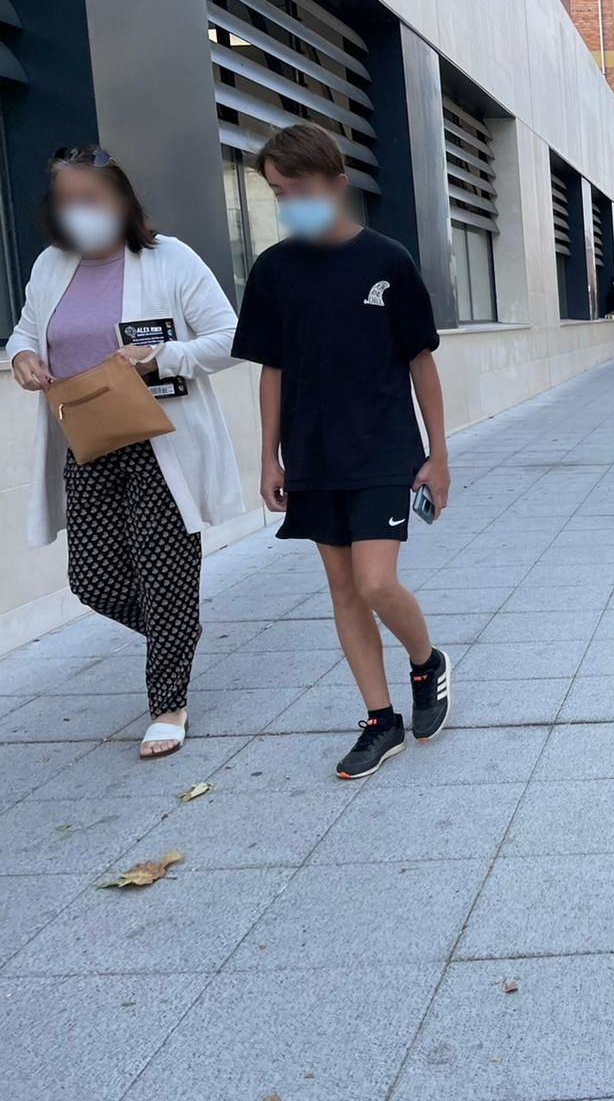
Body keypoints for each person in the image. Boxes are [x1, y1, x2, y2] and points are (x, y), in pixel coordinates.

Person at [231, 123, 453, 780]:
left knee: (375, 581)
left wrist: (438, 456)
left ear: (336, 184)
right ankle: (379, 720)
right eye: (276, 192)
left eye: (297, 189)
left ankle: (426, 662)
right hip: (312, 454)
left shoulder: (387, 261)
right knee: (342, 588)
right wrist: (269, 457)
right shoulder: (272, 271)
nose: (287, 202)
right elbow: (271, 370)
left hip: (384, 448)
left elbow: (421, 362)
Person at [6, 146, 242, 759]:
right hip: (86, 439)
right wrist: (22, 356)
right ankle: (176, 628)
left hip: (161, 440)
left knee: (163, 569)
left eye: (92, 199)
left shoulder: (171, 260)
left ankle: (168, 701)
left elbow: (231, 337)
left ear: (121, 200)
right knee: (93, 579)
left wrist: (164, 356)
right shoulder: (51, 266)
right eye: (67, 201)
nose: (79, 211)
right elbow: (28, 331)